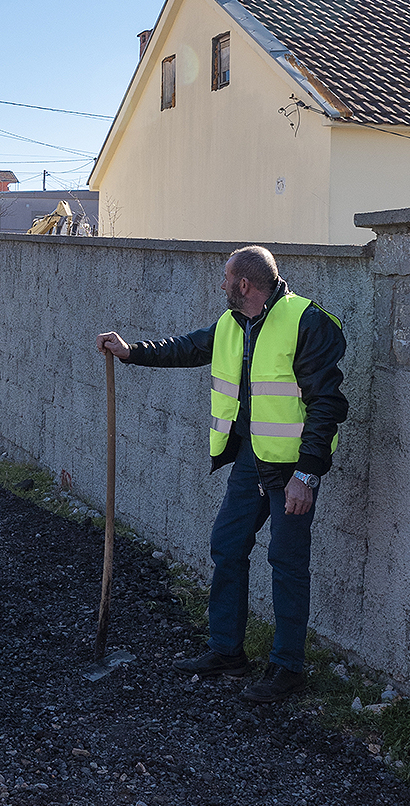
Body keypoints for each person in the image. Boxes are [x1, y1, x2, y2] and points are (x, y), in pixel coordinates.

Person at [97, 244, 347, 704]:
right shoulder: (233, 324)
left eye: (225, 279)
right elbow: (186, 348)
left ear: (244, 284)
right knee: (227, 546)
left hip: (292, 468)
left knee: (287, 565)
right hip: (251, 460)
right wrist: (131, 352)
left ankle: (288, 667)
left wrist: (307, 475)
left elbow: (326, 404)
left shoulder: (306, 322)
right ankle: (227, 652)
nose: (220, 285)